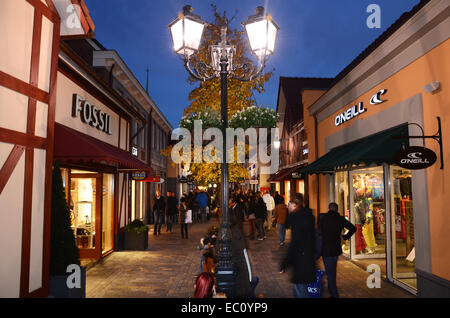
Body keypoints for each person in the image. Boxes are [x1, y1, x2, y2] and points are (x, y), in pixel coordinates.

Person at [280, 193, 316, 298]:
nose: (287, 206)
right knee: (300, 289)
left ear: (295, 205)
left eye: (289, 203)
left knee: (300, 291)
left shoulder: (298, 219)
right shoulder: (307, 216)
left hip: (301, 260)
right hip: (306, 258)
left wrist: (285, 263)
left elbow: (294, 243)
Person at [318, 202, 356, 298]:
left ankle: (334, 293)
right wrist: (345, 236)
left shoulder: (323, 218)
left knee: (330, 271)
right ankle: (332, 290)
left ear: (328, 208)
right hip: (335, 248)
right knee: (332, 270)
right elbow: (353, 228)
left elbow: (318, 232)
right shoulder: (340, 219)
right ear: (337, 209)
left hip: (325, 248)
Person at [230, 196, 259, 298]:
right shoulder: (235, 235)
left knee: (254, 281)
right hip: (240, 278)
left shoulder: (236, 236)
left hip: (241, 283)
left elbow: (245, 263)